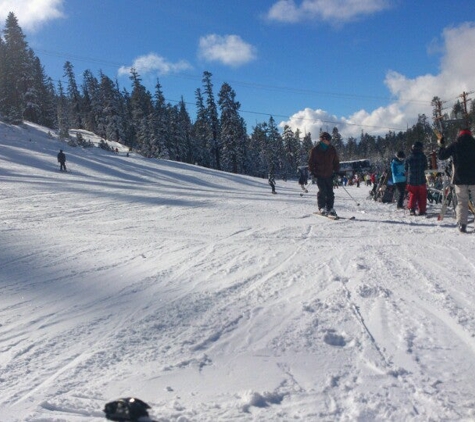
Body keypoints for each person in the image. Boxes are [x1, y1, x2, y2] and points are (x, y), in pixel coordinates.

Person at [437, 128, 475, 233]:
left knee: (462, 202)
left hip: (459, 178)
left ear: (459, 135)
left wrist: (441, 146)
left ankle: (462, 225)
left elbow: (442, 156)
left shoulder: (456, 144)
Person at [308, 131, 340, 216]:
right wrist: (312, 172)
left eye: (330, 140)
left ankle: (330, 208)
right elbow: (311, 162)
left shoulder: (332, 149)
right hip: (319, 174)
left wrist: (336, 171)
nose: (329, 142)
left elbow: (336, 161)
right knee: (322, 191)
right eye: (328, 140)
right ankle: (322, 207)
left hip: (329, 174)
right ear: (323, 140)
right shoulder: (315, 150)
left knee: (330, 192)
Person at [405, 141, 428, 215]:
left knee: (412, 194)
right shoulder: (423, 156)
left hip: (411, 180)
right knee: (422, 195)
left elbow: (405, 168)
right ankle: (422, 210)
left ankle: (412, 209)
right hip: (421, 179)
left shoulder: (409, 157)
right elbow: (425, 167)